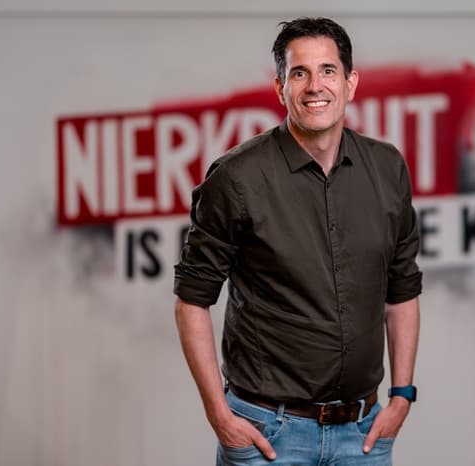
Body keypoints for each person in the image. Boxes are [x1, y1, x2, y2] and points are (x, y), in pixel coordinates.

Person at [173, 17, 422, 466]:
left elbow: (402, 288)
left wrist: (402, 395)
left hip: (363, 436)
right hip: (268, 435)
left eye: (328, 70)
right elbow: (192, 299)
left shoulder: (388, 169)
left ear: (350, 82)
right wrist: (219, 415)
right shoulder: (236, 178)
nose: (315, 86)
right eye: (299, 73)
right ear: (280, 87)